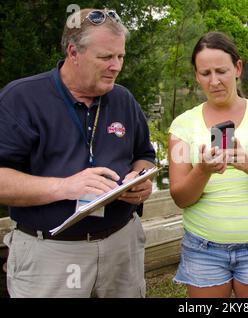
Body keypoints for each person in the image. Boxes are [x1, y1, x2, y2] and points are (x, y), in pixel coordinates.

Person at [0, 8, 155, 297]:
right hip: (51, 254)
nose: (116, 66)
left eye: (120, 56)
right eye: (106, 57)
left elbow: (144, 154)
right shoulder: (20, 99)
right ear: (73, 52)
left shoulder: (123, 98)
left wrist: (140, 178)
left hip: (122, 245)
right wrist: (65, 186)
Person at [168, 32, 248, 298]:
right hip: (202, 249)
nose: (214, 81)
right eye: (205, 73)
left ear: (237, 68)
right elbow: (181, 197)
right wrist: (202, 171)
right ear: (196, 75)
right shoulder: (183, 124)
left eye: (221, 71)